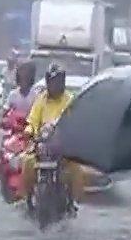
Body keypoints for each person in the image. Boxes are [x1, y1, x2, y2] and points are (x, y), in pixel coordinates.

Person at [19, 63, 83, 203]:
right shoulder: (41, 100)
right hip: (43, 145)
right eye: (53, 81)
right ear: (48, 82)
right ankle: (27, 199)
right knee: (26, 162)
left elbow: (76, 122)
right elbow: (32, 121)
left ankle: (74, 202)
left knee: (77, 169)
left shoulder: (70, 100)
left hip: (64, 146)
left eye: (58, 81)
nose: (55, 85)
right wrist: (28, 132)